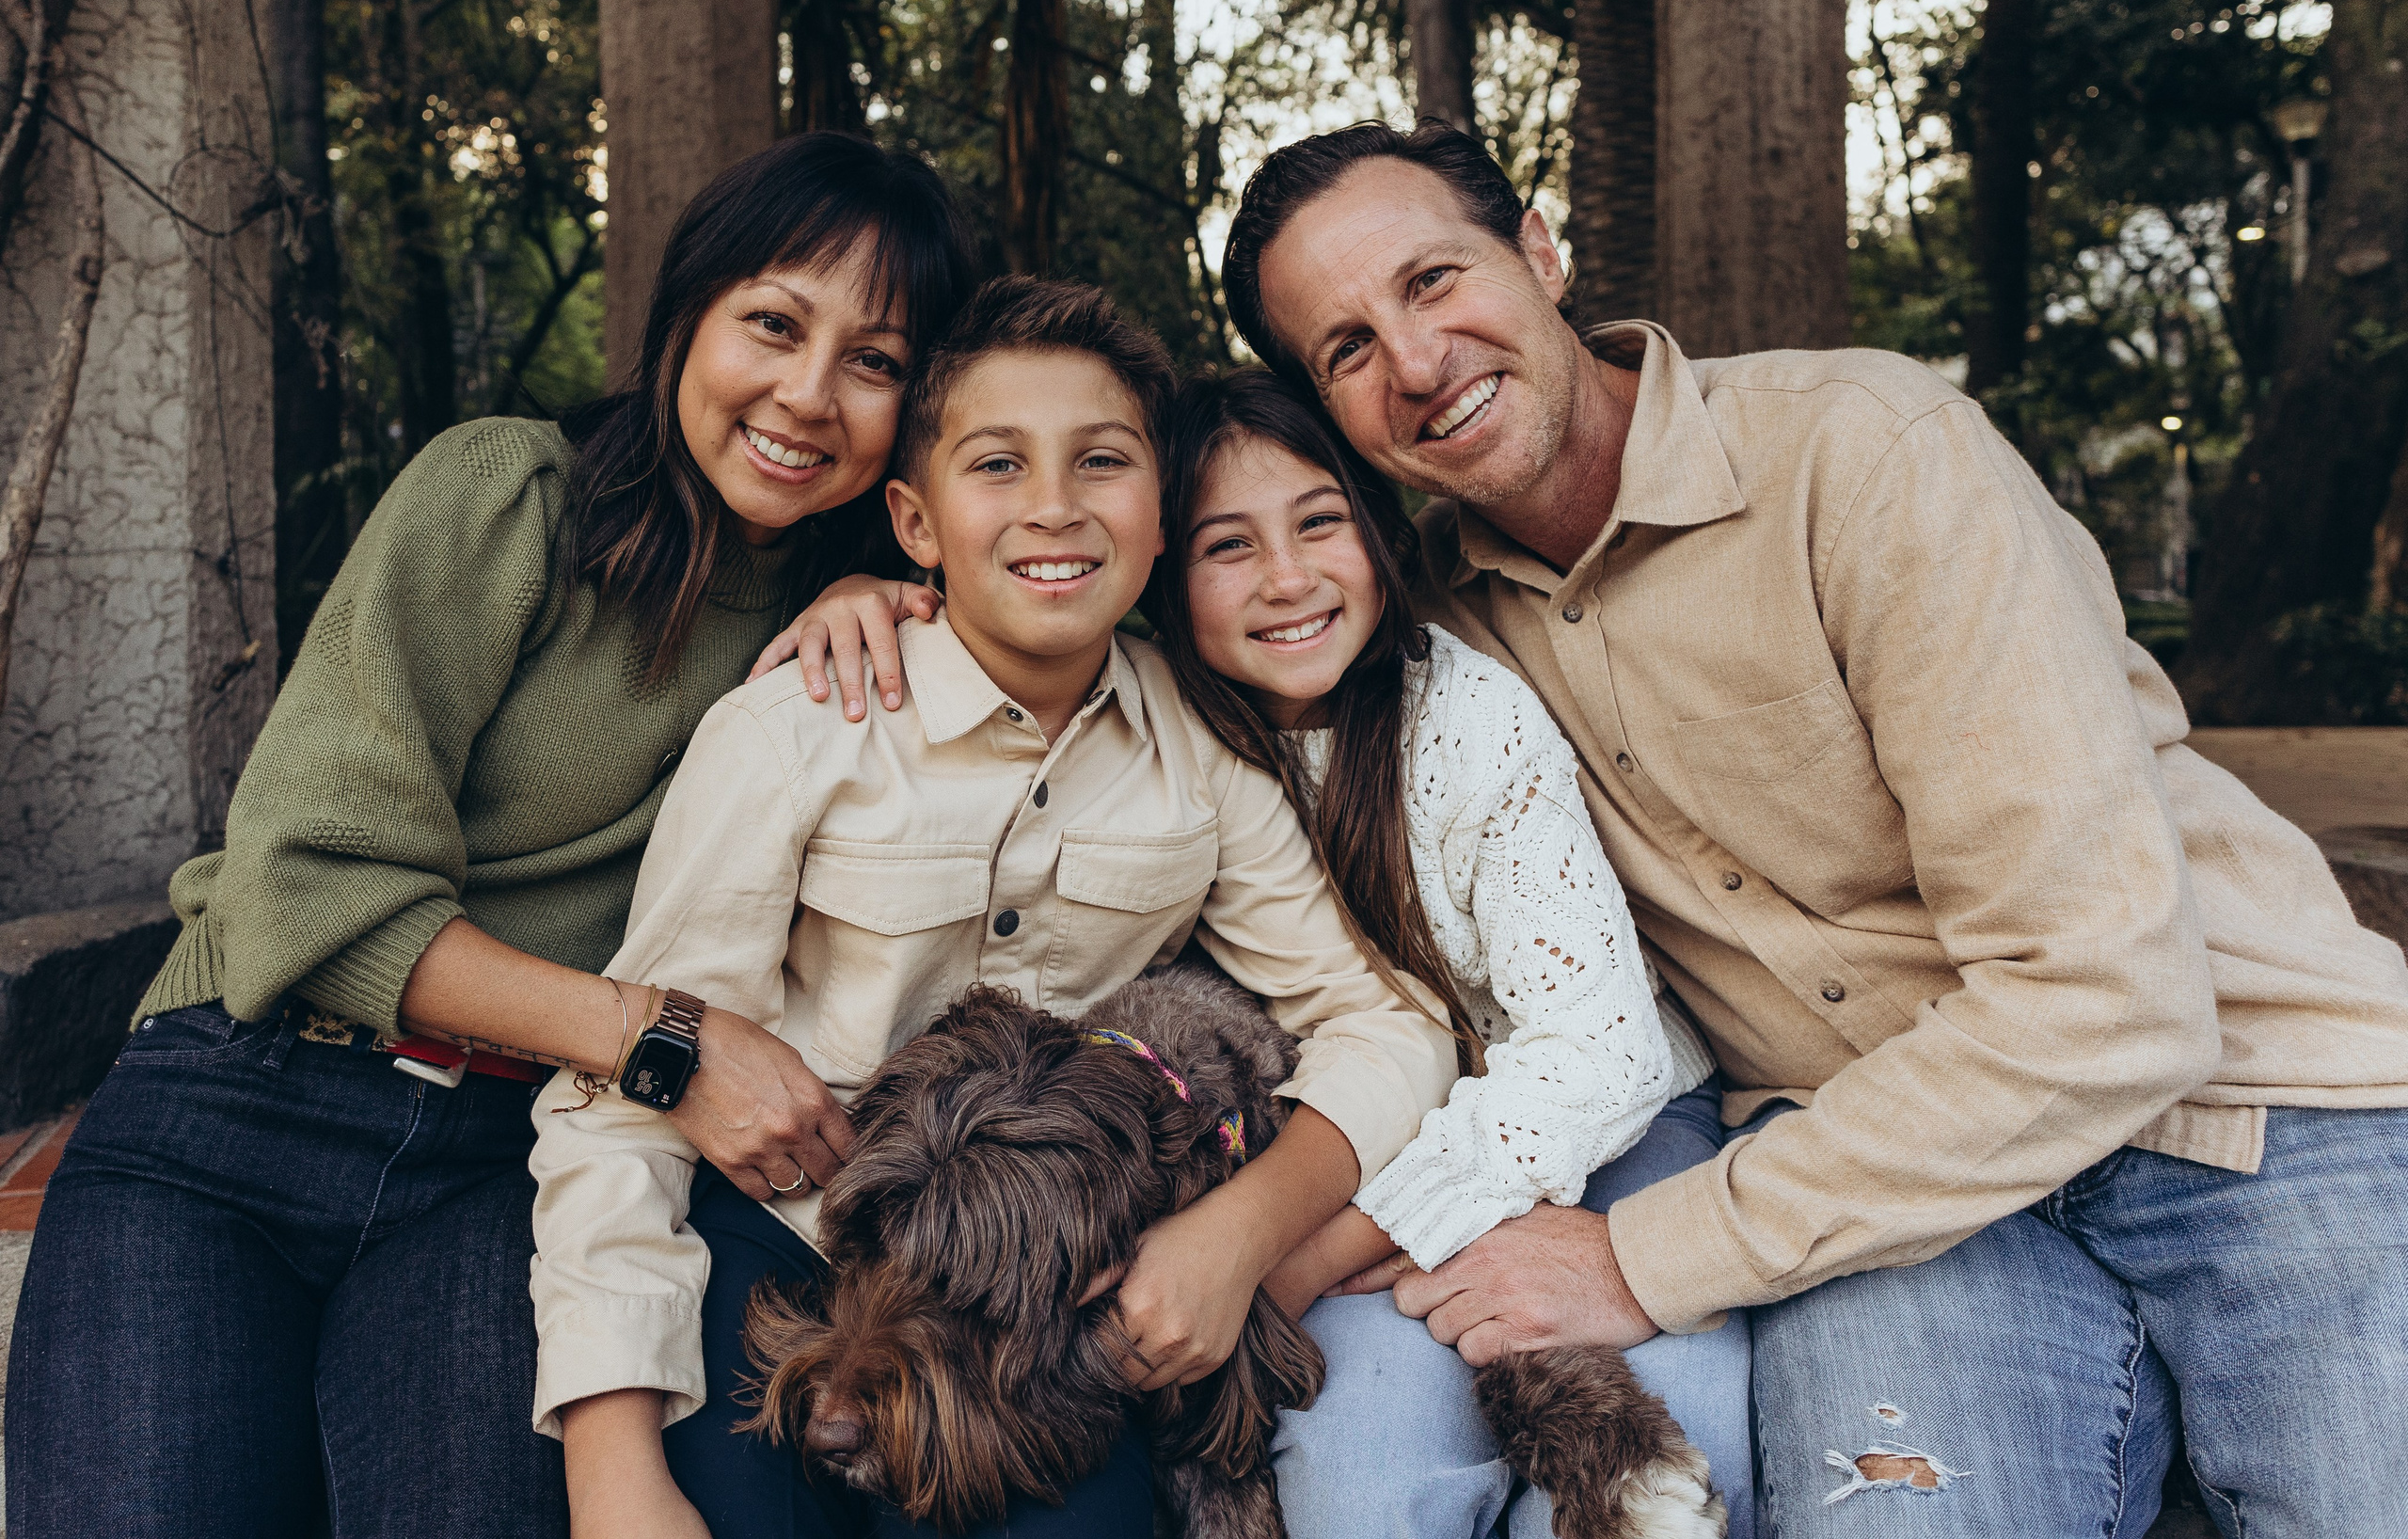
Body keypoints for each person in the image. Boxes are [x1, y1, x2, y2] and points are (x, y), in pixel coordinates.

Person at [787, 119, 2408, 1537]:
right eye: (1347, 348)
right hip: (1891, 1185)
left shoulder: (1866, 457)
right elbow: (1115, 595)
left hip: (2247, 1105)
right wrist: (897, 596)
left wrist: (1647, 1252)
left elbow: (2107, 993)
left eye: (1433, 283)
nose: (1412, 361)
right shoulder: (1413, 623)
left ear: (1541, 252)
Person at [3, 132, 976, 1539]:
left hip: (492, 1163)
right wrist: (669, 1042)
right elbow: (308, 884)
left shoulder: (854, 633)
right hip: (238, 1095)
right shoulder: (515, 496)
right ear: (687, 313)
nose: (806, 394)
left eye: (875, 361)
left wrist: (891, 592)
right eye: (773, 322)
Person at [528, 276, 1456, 1539]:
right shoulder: (794, 731)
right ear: (914, 518)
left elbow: (1386, 1024)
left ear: (1160, 510)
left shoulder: (1201, 746)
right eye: (999, 464)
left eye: (1104, 462)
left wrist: (1242, 1232)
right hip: (778, 1247)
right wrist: (612, 1462)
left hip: (1024, 1303)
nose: (1055, 506)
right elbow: (626, 1095)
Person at [1142, 367, 1753, 1536]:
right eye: (1227, 546)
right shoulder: (1162, 735)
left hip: (1601, 1128)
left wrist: (1318, 1251)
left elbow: (1600, 1052)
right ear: (1160, 577)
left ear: (1376, 527)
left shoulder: (1467, 719)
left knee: (1694, 1437)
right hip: (1342, 1161)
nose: (1287, 578)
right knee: (1357, 1482)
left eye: (1320, 521)